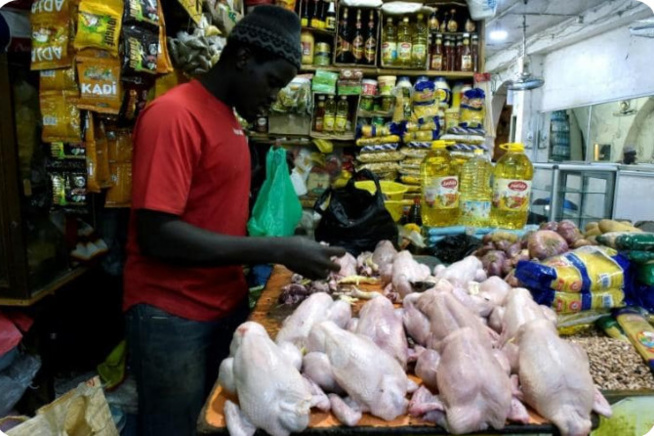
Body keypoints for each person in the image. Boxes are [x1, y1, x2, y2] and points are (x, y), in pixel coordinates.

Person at [123, 6, 345, 436]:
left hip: (223, 304)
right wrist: (277, 249)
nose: (274, 96)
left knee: (221, 423)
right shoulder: (174, 116)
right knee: (176, 427)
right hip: (173, 315)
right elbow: (157, 235)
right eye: (272, 81)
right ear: (243, 57)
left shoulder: (229, 121)